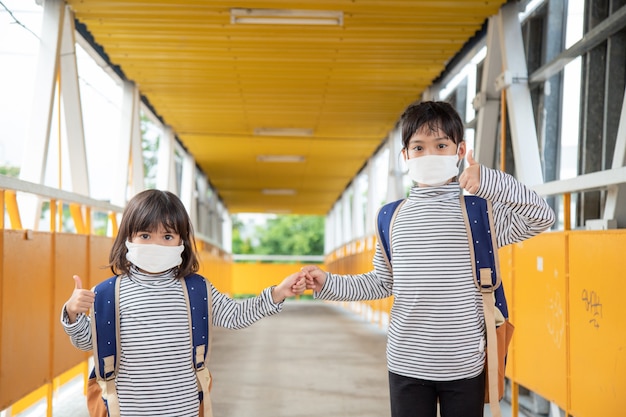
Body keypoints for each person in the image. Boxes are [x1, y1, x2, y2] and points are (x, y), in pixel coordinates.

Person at [302, 100, 555, 417]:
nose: (430, 155)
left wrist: (489, 180)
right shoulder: (390, 217)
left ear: (460, 151)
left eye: (441, 145)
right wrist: (328, 282)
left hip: (466, 363)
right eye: (419, 147)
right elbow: (382, 282)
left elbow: (541, 217)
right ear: (406, 155)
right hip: (406, 361)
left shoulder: (480, 213)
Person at [61, 189, 306, 417]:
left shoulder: (196, 289)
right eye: (145, 235)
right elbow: (87, 342)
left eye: (167, 236)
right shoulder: (107, 293)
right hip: (126, 409)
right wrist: (73, 313)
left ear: (181, 242)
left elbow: (235, 315)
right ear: (128, 238)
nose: (156, 245)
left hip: (184, 408)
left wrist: (277, 293)